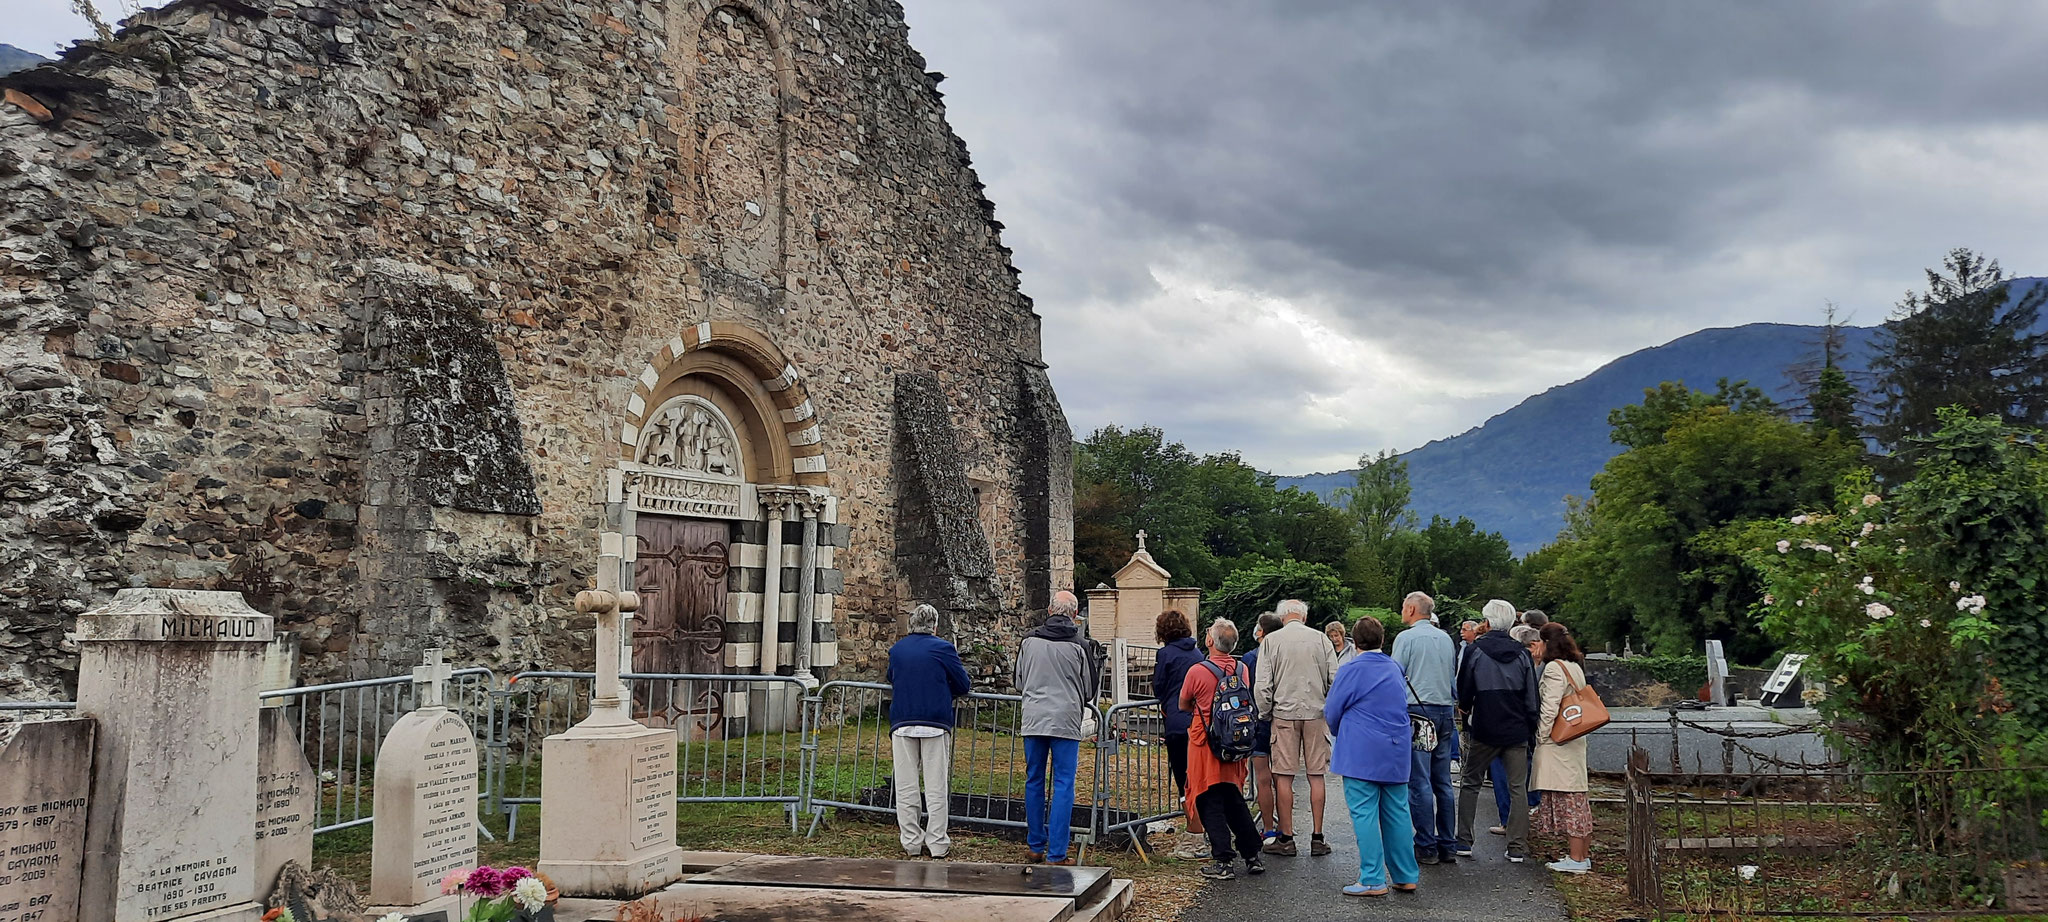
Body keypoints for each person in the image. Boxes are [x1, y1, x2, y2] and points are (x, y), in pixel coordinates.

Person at [1325, 617, 1419, 896]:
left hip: (1361, 749)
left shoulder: (1350, 668)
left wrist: (1337, 731)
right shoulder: (1394, 667)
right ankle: (1405, 874)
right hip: (1396, 747)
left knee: (1364, 813)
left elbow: (1332, 710)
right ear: (1382, 639)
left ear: (1355, 640)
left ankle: (1372, 878)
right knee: (1398, 813)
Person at [1014, 590, 1101, 865]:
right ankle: (1057, 852)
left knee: (1034, 780)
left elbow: (1018, 680)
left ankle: (1035, 845)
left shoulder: (1029, 641)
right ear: (1075, 615)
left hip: (1035, 717)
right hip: (1065, 718)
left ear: (1049, 611)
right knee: (1064, 784)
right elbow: (1088, 689)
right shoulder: (1080, 645)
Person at [1179, 618, 1268, 880]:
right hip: (1234, 741)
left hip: (1205, 742)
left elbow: (1184, 703)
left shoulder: (1198, 671)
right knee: (1233, 797)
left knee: (1208, 798)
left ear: (1210, 641)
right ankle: (1252, 854)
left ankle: (1223, 859)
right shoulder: (1241, 669)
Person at [1456, 599, 1540, 862]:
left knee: (1471, 782)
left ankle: (1464, 840)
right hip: (1516, 728)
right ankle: (1516, 845)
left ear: (1488, 621)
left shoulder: (1475, 650)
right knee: (1518, 787)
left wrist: (1467, 710)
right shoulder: (1522, 653)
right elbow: (1531, 696)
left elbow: (1465, 689)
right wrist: (1530, 726)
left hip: (1485, 725)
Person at [886, 603, 972, 858]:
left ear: (911, 624)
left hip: (903, 719)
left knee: (906, 784)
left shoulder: (897, 650)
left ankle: (911, 841)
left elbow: (891, 677)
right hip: (934, 720)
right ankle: (937, 841)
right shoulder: (944, 648)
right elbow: (963, 683)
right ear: (935, 626)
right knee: (935, 785)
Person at [1253, 599, 1336, 857]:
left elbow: (1263, 684)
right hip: (1315, 712)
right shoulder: (1322, 640)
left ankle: (1286, 837)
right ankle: (1318, 836)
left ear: (1282, 617)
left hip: (1284, 713)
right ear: (1304, 617)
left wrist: (1265, 712)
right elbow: (1335, 678)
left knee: (1284, 775)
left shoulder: (1271, 641)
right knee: (1316, 774)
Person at [1390, 591, 1458, 866]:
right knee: (1442, 779)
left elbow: (1396, 676)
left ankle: (1426, 844)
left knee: (1419, 779)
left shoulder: (1405, 638)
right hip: (1444, 710)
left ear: (1411, 609)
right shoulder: (1445, 638)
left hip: (1417, 711)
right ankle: (1448, 844)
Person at [1533, 623, 1594, 874]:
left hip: (1559, 741)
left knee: (1570, 801)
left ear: (1547, 643)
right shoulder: (1573, 666)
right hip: (1575, 738)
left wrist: (1540, 735)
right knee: (1578, 798)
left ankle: (1577, 859)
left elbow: (1550, 706)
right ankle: (1581, 856)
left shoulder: (1554, 669)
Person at [1152, 609, 1209, 859]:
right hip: (1198, 722)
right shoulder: (1197, 653)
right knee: (1199, 777)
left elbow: (1159, 686)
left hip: (1176, 721)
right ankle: (1203, 828)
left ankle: (1194, 833)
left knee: (1184, 780)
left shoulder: (1165, 654)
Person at [1241, 611, 1285, 842]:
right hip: (1282, 719)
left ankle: (1268, 827)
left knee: (1263, 777)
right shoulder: (1285, 654)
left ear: (1261, 632)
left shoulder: (1251, 658)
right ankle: (1286, 825)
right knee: (1283, 777)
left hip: (1258, 720)